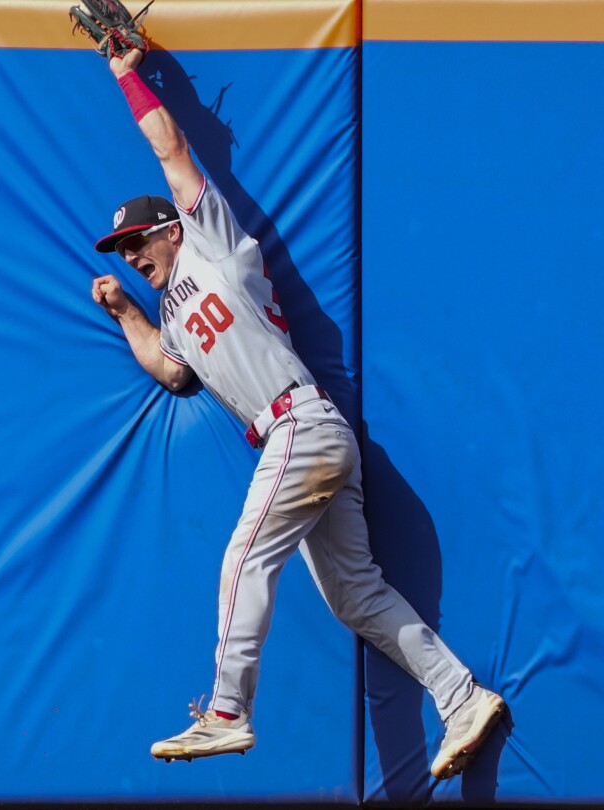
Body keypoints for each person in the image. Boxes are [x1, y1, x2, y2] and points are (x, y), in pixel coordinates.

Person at [88, 46, 505, 780]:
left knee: (242, 558)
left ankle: (226, 711)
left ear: (172, 228)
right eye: (121, 250)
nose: (130, 254)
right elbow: (172, 372)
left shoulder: (211, 244)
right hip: (300, 439)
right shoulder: (171, 310)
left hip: (299, 425)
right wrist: (126, 311)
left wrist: (127, 75)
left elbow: (172, 150)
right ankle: (462, 696)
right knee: (355, 596)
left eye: (136, 240)